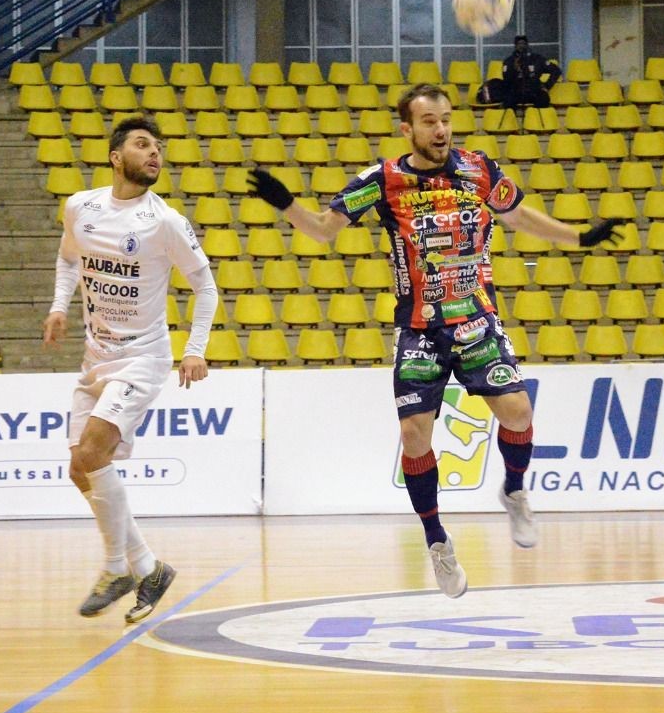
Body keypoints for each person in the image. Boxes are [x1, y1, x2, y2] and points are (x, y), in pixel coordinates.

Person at [248, 83, 625, 598]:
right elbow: (321, 229)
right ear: (407, 129)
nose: (441, 129)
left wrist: (581, 237)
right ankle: (437, 542)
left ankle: (514, 491)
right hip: (420, 327)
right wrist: (284, 201)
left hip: (476, 319)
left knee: (518, 413)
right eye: (429, 121)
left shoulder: (479, 168)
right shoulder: (383, 179)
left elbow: (519, 217)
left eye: (445, 118)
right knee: (414, 434)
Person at [43, 114, 218, 623]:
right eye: (143, 145)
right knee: (81, 466)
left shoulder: (164, 221)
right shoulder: (81, 207)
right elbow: (68, 260)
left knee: (95, 450)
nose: (155, 153)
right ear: (117, 157)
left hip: (144, 357)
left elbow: (205, 287)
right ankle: (148, 565)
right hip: (96, 356)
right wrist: (59, 306)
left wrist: (196, 348)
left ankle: (118, 567)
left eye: (158, 147)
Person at [479, 35, 562, 109]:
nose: (521, 46)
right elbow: (507, 81)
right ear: (515, 46)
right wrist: (514, 69)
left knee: (544, 99)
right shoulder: (509, 61)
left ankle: (536, 122)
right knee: (508, 101)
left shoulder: (536, 58)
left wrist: (547, 86)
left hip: (533, 90)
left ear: (527, 45)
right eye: (519, 44)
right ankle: (511, 124)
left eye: (523, 43)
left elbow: (556, 71)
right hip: (516, 91)